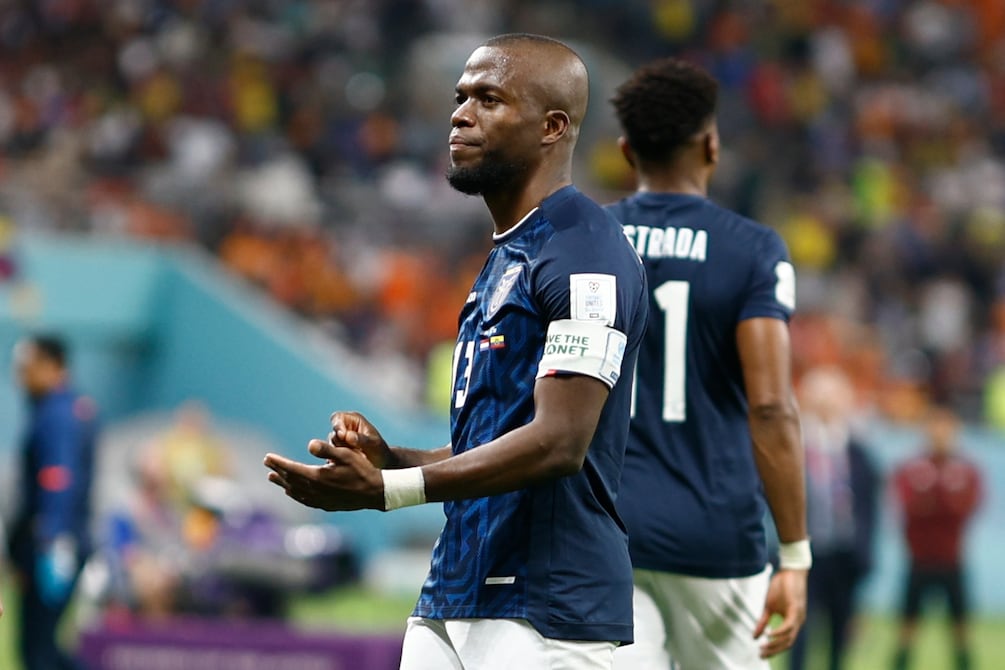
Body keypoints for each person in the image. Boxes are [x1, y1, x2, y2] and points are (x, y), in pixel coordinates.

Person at [264, 33, 648, 670]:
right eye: (461, 97)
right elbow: (499, 439)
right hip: (455, 594)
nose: (461, 114)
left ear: (552, 127)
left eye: (489, 99)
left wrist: (392, 488)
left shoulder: (586, 255)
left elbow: (560, 441)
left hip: (545, 612)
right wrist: (393, 459)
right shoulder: (511, 253)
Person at [605, 58, 809, 670]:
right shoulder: (752, 249)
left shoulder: (588, 239)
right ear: (712, 145)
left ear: (626, 151)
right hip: (715, 535)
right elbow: (770, 407)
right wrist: (794, 555)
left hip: (606, 530)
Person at [7, 335, 98, 670]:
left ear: (52, 366)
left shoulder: (57, 414)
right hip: (57, 540)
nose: (21, 376)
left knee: (39, 652)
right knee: (41, 648)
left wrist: (53, 539)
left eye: (28, 367)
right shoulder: (69, 408)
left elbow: (58, 478)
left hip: (52, 545)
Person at [789, 366, 879, 670]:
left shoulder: (858, 453)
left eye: (833, 399)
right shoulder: (795, 448)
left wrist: (864, 553)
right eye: (821, 399)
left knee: (840, 633)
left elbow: (868, 508)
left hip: (844, 554)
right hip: (804, 553)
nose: (827, 406)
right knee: (799, 630)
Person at [891, 405, 983, 670]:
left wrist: (935, 499)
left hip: (952, 559)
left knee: (960, 628)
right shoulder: (913, 468)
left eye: (946, 429)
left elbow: (967, 506)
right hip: (919, 559)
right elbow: (908, 505)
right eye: (935, 428)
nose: (940, 434)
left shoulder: (965, 469)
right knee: (907, 626)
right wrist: (941, 499)